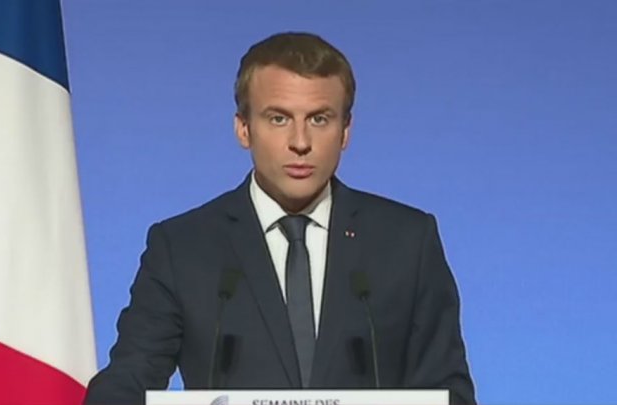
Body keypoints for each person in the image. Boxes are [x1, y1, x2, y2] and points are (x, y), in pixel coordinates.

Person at [84, 32, 476, 405]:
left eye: (319, 119)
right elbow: (125, 383)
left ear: (345, 131)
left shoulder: (407, 241)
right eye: (278, 119)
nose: (300, 142)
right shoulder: (182, 247)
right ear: (243, 129)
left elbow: (448, 393)